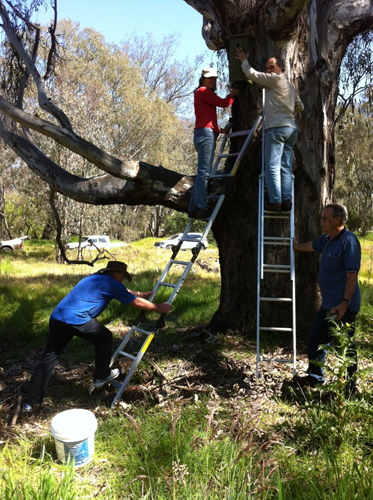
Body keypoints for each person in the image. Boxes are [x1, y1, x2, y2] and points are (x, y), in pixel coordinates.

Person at [23, 261, 172, 410]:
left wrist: (141, 294)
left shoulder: (95, 278)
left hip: (58, 318)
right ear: (115, 273)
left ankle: (31, 402)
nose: (122, 279)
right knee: (105, 337)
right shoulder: (112, 283)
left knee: (48, 358)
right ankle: (102, 375)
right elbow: (136, 303)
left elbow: (125, 291)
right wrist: (159, 307)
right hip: (76, 319)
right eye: (122, 276)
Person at [293, 204, 361, 391]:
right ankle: (315, 378)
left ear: (337, 220)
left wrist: (345, 303)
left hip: (343, 307)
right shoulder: (326, 240)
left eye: (324, 218)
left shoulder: (349, 242)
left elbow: (351, 276)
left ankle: (350, 387)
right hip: (328, 306)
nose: (321, 221)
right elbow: (312, 246)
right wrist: (296, 246)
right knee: (316, 338)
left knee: (346, 345)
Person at [235, 48, 303, 212]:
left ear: (280, 68)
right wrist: (285, 110)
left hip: (277, 129)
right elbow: (300, 106)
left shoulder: (274, 79)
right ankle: (287, 200)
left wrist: (244, 60)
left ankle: (275, 201)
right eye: (267, 67)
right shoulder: (290, 87)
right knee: (285, 167)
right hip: (291, 129)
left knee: (272, 167)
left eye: (271, 66)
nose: (268, 70)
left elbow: (252, 75)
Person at [188, 67, 239, 220]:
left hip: (205, 132)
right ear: (202, 79)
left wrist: (219, 130)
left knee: (202, 173)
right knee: (204, 173)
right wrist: (233, 95)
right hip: (205, 134)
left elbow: (207, 117)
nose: (212, 81)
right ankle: (201, 208)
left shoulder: (203, 94)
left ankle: (192, 209)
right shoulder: (203, 91)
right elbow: (223, 103)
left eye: (214, 78)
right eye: (209, 78)